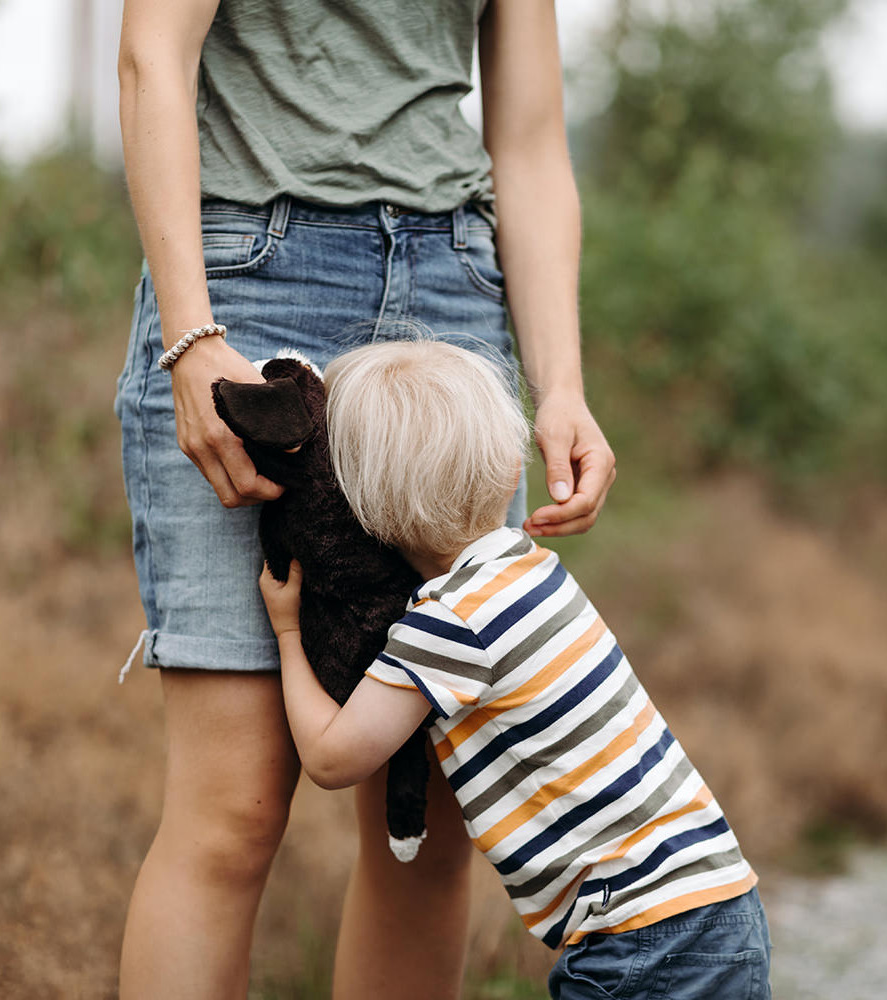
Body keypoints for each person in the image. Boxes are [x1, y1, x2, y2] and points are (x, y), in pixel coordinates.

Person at [113, 1, 616, 997]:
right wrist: (189, 334)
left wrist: (560, 384)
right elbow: (150, 57)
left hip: (452, 296)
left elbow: (527, 139)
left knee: (429, 823)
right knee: (234, 810)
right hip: (250, 286)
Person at [257, 340, 771, 1000]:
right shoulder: (528, 570)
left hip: (642, 940)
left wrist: (288, 630)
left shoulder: (447, 624)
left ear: (366, 509)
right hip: (718, 908)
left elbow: (332, 760)